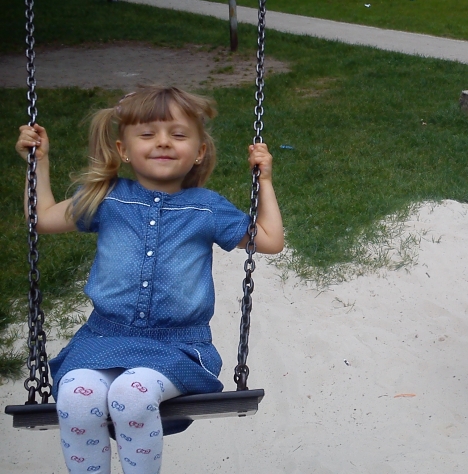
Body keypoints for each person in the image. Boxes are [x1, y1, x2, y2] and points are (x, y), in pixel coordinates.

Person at [15, 86, 284, 474]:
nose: (163, 142)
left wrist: (265, 180)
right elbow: (40, 218)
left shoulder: (206, 207)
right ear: (123, 149)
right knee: (75, 397)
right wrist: (38, 162)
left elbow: (270, 240)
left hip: (176, 348)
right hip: (102, 341)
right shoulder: (106, 198)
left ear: (199, 151)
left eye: (178, 134)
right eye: (147, 134)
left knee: (131, 394)